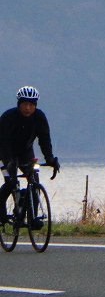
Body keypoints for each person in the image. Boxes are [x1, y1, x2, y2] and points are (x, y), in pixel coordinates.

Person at [0, 86, 60, 230]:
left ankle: (31, 217)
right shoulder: (8, 117)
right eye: (25, 104)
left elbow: (44, 139)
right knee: (11, 181)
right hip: (5, 152)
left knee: (34, 182)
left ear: (35, 106)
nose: (28, 108)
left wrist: (50, 159)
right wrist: (9, 163)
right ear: (19, 104)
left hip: (26, 153)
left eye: (31, 105)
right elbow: (4, 142)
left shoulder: (39, 117)